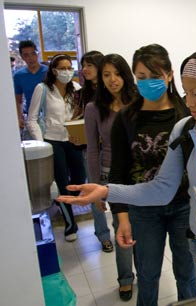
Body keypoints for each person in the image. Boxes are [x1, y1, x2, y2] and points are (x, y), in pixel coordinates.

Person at [57, 49, 196, 306]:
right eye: (187, 93)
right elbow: (162, 188)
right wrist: (108, 191)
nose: (190, 102)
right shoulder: (185, 129)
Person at [107, 44, 196, 306]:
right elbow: (118, 172)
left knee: (187, 274)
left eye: (155, 76)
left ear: (169, 75)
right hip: (143, 209)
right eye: (141, 77)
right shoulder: (126, 118)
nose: (148, 82)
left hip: (184, 206)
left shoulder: (187, 115)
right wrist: (121, 216)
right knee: (147, 276)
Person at [85, 53, 137, 300]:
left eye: (117, 74)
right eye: (106, 75)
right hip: (110, 175)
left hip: (138, 176)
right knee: (121, 227)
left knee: (142, 228)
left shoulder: (139, 102)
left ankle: (146, 274)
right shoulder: (94, 108)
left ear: (125, 76)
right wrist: (95, 186)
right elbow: (92, 149)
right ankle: (125, 279)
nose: (112, 80)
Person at [27, 54, 84, 242]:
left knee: (78, 178)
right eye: (63, 68)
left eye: (70, 67)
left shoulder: (76, 88)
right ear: (54, 70)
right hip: (53, 141)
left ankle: (65, 200)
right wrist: (41, 143)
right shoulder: (43, 89)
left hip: (73, 140)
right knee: (62, 182)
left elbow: (83, 114)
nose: (67, 71)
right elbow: (32, 119)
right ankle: (70, 225)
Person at [78, 50, 115, 253]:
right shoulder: (82, 94)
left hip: (110, 154)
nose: (85, 69)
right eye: (83, 65)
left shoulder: (113, 93)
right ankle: (103, 236)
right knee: (94, 191)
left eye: (90, 65)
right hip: (89, 150)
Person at [13, 40, 48, 133]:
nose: (30, 58)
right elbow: (18, 100)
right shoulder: (19, 76)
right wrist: (19, 118)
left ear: (37, 54)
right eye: (26, 55)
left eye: (33, 53)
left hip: (49, 114)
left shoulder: (48, 72)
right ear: (22, 57)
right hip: (31, 115)